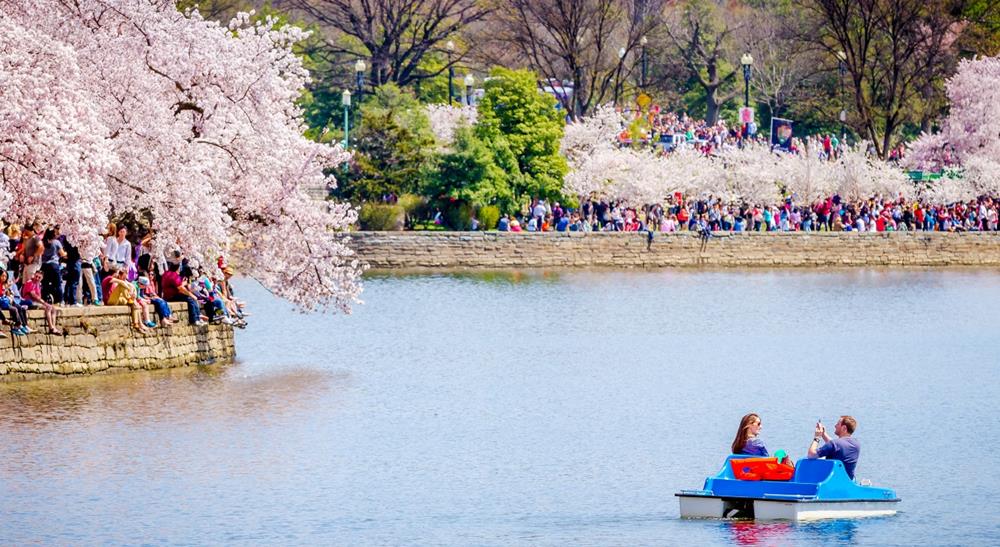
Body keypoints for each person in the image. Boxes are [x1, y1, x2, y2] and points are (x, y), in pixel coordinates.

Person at [808, 415, 861, 480]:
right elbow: (837, 446)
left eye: (838, 424)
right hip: (848, 481)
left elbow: (811, 455)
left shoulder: (834, 444)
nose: (835, 426)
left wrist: (817, 437)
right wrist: (823, 434)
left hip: (831, 481)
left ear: (844, 428)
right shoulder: (856, 444)